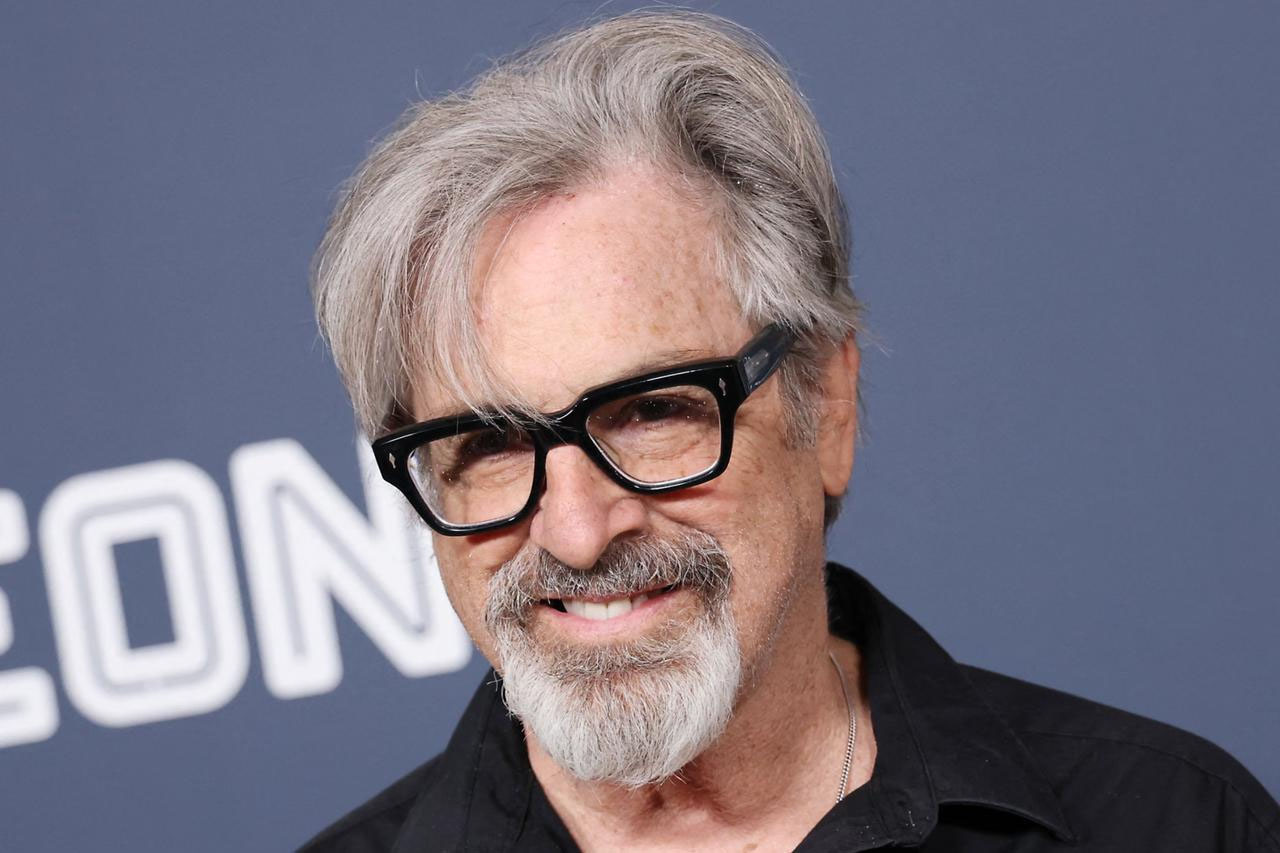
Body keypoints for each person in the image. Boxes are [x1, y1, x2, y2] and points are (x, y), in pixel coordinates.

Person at [300, 11, 1278, 852]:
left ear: (827, 402)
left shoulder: (1173, 821)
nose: (578, 531)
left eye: (652, 411)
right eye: (493, 442)